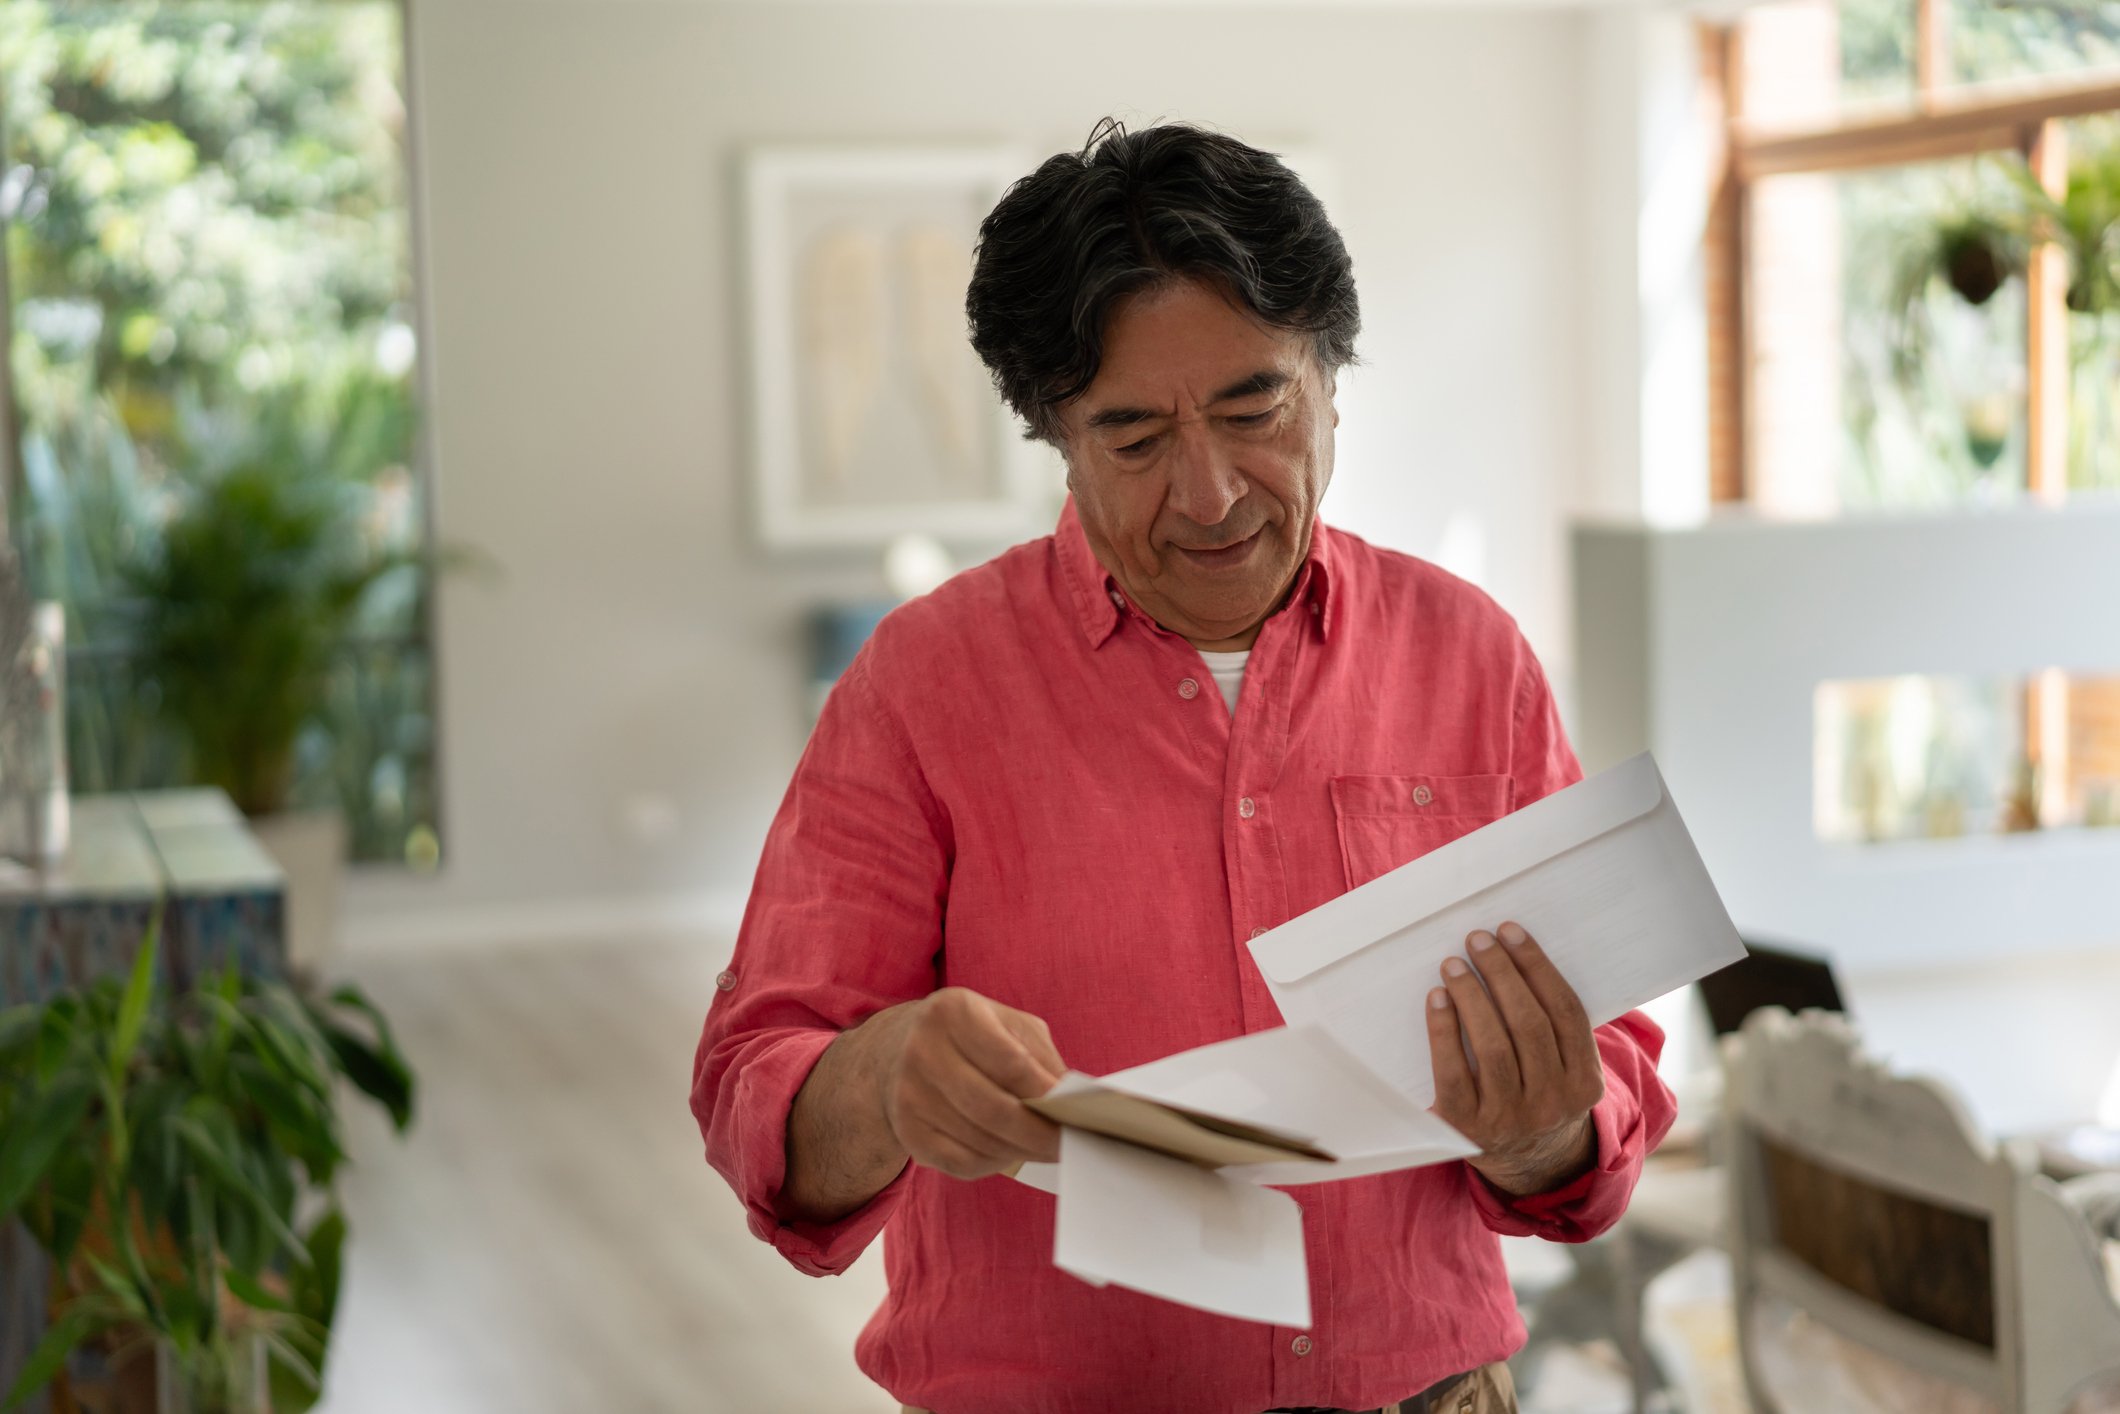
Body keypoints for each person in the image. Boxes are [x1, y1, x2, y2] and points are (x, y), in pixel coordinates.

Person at [691, 119, 1675, 1414]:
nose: (1209, 493)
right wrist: (880, 1077)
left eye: (1254, 408)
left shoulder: (1470, 656)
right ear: (1054, 433)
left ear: (1332, 381)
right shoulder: (923, 684)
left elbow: (1604, 1106)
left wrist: (1545, 1123)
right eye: (1136, 438)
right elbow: (757, 1084)